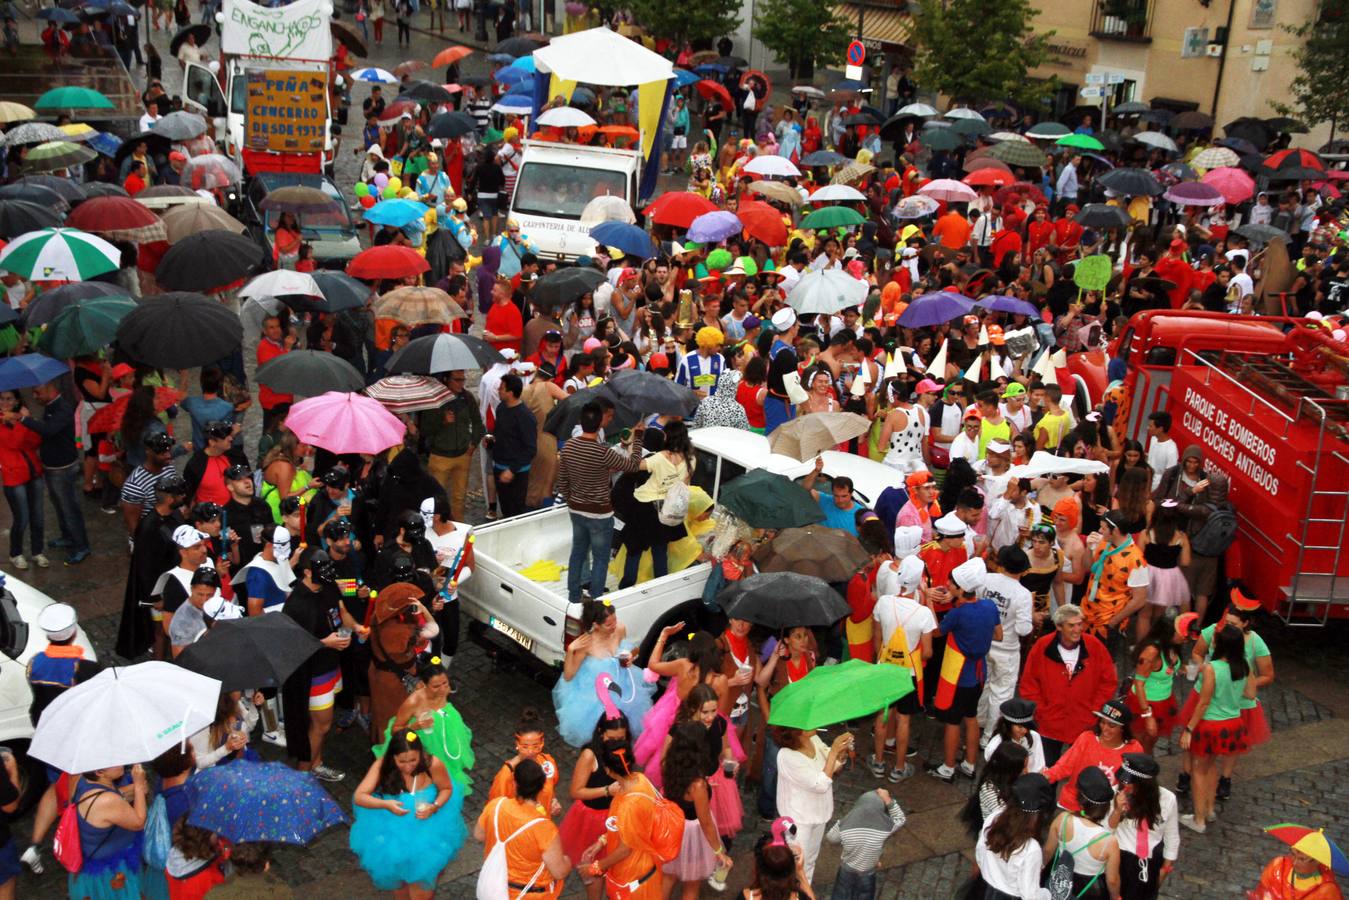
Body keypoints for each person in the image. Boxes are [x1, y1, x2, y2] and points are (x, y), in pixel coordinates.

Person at [350, 728, 466, 897]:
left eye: (413, 760)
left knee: (422, 892)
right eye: (401, 761)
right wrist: (385, 804)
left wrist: (434, 806)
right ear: (393, 757)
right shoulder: (382, 765)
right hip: (392, 834)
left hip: (428, 833)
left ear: (420, 753)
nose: (408, 766)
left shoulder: (432, 764)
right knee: (400, 890)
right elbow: (359, 797)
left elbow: (446, 788)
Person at [557, 404, 646, 604]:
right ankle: (595, 597)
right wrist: (638, 437)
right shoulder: (602, 452)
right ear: (599, 426)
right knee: (600, 558)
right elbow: (632, 465)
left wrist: (572, 499)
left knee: (578, 553)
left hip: (576, 511)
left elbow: (562, 480)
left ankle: (574, 595)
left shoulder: (569, 446)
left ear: (581, 422)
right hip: (600, 515)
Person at [281, 548, 356, 781]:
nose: (327, 575)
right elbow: (293, 645)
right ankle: (301, 780)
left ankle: (317, 763)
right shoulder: (295, 605)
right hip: (314, 673)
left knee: (322, 723)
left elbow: (341, 612)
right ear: (306, 572)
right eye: (321, 570)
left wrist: (355, 628)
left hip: (331, 666)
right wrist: (326, 643)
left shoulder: (328, 586)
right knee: (321, 726)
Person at [1019, 603, 1118, 766]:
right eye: (1071, 625)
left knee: (1082, 773)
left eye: (1080, 624)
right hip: (1049, 724)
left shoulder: (1095, 646)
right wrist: (1042, 710)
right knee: (1047, 772)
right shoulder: (1042, 647)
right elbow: (1029, 683)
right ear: (1059, 626)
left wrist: (1094, 709)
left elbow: (1108, 681)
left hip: (1084, 723)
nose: (1077, 629)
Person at [552, 598, 655, 747]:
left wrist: (631, 656)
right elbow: (568, 676)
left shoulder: (620, 629)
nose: (614, 626)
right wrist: (570, 650)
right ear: (596, 625)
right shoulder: (586, 644)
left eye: (615, 621)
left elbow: (634, 649)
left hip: (624, 685)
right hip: (597, 695)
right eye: (609, 624)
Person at [1179, 624, 1251, 834]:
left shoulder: (1213, 669)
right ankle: (1209, 809)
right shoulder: (1243, 666)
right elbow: (1249, 692)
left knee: (1198, 770)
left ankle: (1199, 819)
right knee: (1211, 767)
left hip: (1211, 725)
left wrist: (1189, 729)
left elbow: (1203, 703)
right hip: (1233, 723)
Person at [558, 700, 630, 900]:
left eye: (621, 738)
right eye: (611, 738)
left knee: (615, 866)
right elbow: (576, 791)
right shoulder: (590, 755)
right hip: (590, 820)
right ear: (601, 733)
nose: (616, 743)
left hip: (615, 819)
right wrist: (607, 790)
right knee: (594, 872)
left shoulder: (623, 752)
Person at [870, 556, 934, 781]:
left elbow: (876, 639)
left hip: (885, 668)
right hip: (909, 673)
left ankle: (877, 763)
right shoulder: (923, 613)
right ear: (919, 582)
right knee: (904, 719)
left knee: (882, 716)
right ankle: (898, 768)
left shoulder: (884, 603)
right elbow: (927, 653)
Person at [12, 380, 89, 564]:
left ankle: (81, 545)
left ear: (51, 390)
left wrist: (24, 419)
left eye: (38, 393)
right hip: (53, 466)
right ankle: (67, 536)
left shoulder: (62, 408)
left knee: (69, 508)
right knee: (60, 506)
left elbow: (48, 429)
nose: (35, 397)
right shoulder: (50, 406)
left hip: (63, 468)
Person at [474, 758, 571, 900]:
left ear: (514, 783)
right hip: (530, 894)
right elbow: (559, 872)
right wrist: (567, 861)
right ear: (541, 786)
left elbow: (479, 835)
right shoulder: (544, 827)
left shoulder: (496, 806)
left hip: (495, 887)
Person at [617, 419, 694, 588]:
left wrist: (635, 442)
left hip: (644, 508)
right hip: (667, 509)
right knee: (660, 551)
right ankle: (661, 585)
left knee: (634, 550)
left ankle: (627, 586)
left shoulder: (659, 458)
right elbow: (685, 485)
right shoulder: (690, 459)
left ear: (668, 436)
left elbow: (633, 465)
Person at [773, 722, 854, 881]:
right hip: (799, 819)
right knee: (796, 863)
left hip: (818, 812)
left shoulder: (814, 739)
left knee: (810, 860)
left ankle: (805, 890)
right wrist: (834, 752)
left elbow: (831, 768)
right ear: (797, 730)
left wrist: (841, 753)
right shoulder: (787, 756)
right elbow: (821, 784)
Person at [662, 721, 733, 899]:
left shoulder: (670, 766)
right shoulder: (698, 785)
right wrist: (719, 852)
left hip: (672, 828)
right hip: (691, 835)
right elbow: (706, 823)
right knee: (691, 884)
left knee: (668, 877)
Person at [368, 582, 439, 745]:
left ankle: (380, 745)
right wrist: (424, 609)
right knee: (397, 718)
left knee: (382, 716)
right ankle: (395, 753)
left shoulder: (377, 619)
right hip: (395, 682)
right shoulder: (401, 632)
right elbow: (433, 629)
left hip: (379, 675)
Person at [1043, 699, 1143, 812]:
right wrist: (1044, 777)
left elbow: (1133, 784)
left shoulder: (1134, 749)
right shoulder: (1086, 738)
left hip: (1108, 810)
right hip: (1074, 804)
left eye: (1111, 725)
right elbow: (1064, 766)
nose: (1104, 729)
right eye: (1102, 722)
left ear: (1123, 728)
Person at [977, 546, 1033, 745]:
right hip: (1007, 651)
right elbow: (1024, 628)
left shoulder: (985, 580)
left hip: (983, 644)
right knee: (1000, 694)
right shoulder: (1023, 594)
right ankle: (988, 737)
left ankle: (978, 722)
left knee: (984, 686)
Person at [67, 763, 148, 900]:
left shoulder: (77, 777)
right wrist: (139, 785)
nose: (121, 763)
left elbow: (111, 799)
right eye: (114, 762)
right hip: (111, 873)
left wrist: (129, 791)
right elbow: (139, 823)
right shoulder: (106, 800)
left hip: (90, 860)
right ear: (99, 772)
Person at [1042, 767, 1122, 900]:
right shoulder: (1108, 841)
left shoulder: (1063, 819)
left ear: (1080, 799)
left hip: (1061, 881)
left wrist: (1042, 867)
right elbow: (1112, 880)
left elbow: (1048, 851)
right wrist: (1116, 897)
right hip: (1090, 891)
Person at [975, 772, 1055, 900]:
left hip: (984, 888)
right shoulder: (1031, 848)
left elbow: (980, 851)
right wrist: (1047, 895)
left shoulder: (994, 818)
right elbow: (1030, 894)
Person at [1110, 753, 1179, 900]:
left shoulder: (1167, 799)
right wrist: (1117, 810)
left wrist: (1165, 869)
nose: (1124, 785)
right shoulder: (1116, 792)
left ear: (1144, 784)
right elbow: (1107, 830)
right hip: (1120, 857)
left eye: (1130, 782)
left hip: (1149, 862)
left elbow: (1172, 836)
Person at [419, 370, 484, 523]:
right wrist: (442, 421)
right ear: (447, 379)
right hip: (440, 457)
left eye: (463, 379)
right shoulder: (435, 400)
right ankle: (437, 527)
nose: (461, 383)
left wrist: (473, 443)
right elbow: (425, 430)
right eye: (457, 380)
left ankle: (458, 528)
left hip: (462, 455)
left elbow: (478, 423)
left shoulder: (467, 398)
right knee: (437, 498)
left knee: (459, 498)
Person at [1082, 510, 1149, 646]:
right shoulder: (1103, 542)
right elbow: (1087, 568)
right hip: (1087, 612)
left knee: (1103, 661)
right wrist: (1088, 549)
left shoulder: (1135, 560)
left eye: (1104, 528)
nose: (1100, 531)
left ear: (1116, 530)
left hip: (1107, 620)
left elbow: (1140, 600)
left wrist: (1113, 622)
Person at [825, 788, 906, 900]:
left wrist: (844, 821)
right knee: (865, 895)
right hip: (868, 871)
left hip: (847, 869)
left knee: (841, 893)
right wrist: (888, 800)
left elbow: (831, 838)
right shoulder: (885, 828)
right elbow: (900, 819)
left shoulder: (846, 827)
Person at [488, 708, 563, 818]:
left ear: (542, 742)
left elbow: (550, 788)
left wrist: (553, 801)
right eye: (525, 746)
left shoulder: (548, 762)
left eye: (536, 746)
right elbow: (496, 809)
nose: (530, 752)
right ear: (517, 743)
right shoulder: (507, 774)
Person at [490, 374, 535, 518]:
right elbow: (500, 434)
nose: (498, 390)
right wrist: (490, 440)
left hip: (517, 472)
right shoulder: (501, 408)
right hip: (499, 467)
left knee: (516, 511)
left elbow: (530, 449)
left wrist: (512, 470)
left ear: (511, 392)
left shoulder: (525, 416)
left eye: (502, 388)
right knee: (505, 508)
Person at [742, 830, 816, 900]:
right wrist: (800, 873)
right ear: (791, 870)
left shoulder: (746, 896)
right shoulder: (799, 897)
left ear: (757, 867)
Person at [1254, 846, 1343, 900]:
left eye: (1302, 859)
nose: (1294, 862)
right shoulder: (1278, 865)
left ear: (1317, 861)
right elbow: (1263, 889)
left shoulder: (1327, 891)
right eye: (1293, 854)